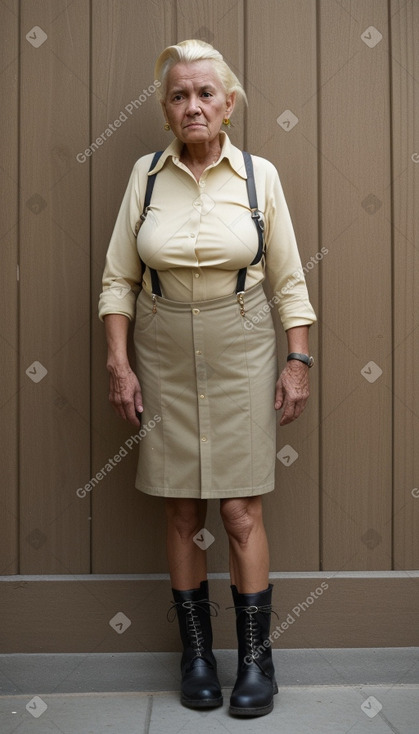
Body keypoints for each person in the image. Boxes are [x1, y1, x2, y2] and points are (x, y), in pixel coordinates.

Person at [98, 39, 316, 718]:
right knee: (180, 506)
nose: (192, 105)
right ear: (166, 110)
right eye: (178, 95)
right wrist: (119, 362)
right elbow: (117, 279)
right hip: (160, 349)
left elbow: (288, 282)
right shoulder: (146, 176)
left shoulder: (259, 176)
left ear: (227, 104)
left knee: (239, 511)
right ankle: (195, 657)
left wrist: (296, 360)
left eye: (204, 94)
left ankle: (256, 663)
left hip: (243, 347)